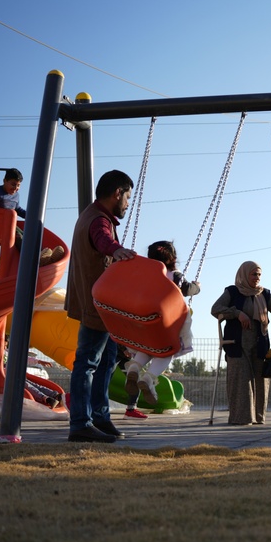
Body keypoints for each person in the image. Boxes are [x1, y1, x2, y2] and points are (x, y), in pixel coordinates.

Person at [65, 170, 136, 443]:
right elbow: (103, 239)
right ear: (117, 193)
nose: (128, 203)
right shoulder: (98, 220)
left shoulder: (90, 214)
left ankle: (99, 417)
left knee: (106, 361)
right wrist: (115, 250)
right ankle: (81, 423)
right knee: (87, 363)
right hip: (97, 305)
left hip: (101, 306)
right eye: (127, 197)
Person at [124, 240, 200, 406]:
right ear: (173, 258)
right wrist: (196, 287)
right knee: (166, 351)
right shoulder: (175, 275)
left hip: (145, 319)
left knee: (147, 348)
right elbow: (186, 289)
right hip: (167, 321)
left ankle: (134, 368)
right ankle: (148, 378)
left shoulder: (145, 275)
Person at [210, 261, 271, 425]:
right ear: (245, 274)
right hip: (237, 343)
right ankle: (242, 418)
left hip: (260, 344)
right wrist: (237, 313)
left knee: (260, 380)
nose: (257, 278)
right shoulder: (232, 292)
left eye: (259, 274)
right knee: (241, 380)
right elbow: (215, 309)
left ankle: (258, 417)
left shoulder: (264, 294)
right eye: (254, 274)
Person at [116, 344, 147, 420]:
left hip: (125, 355)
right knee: (104, 378)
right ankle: (93, 410)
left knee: (137, 378)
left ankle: (131, 410)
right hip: (115, 350)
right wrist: (124, 349)